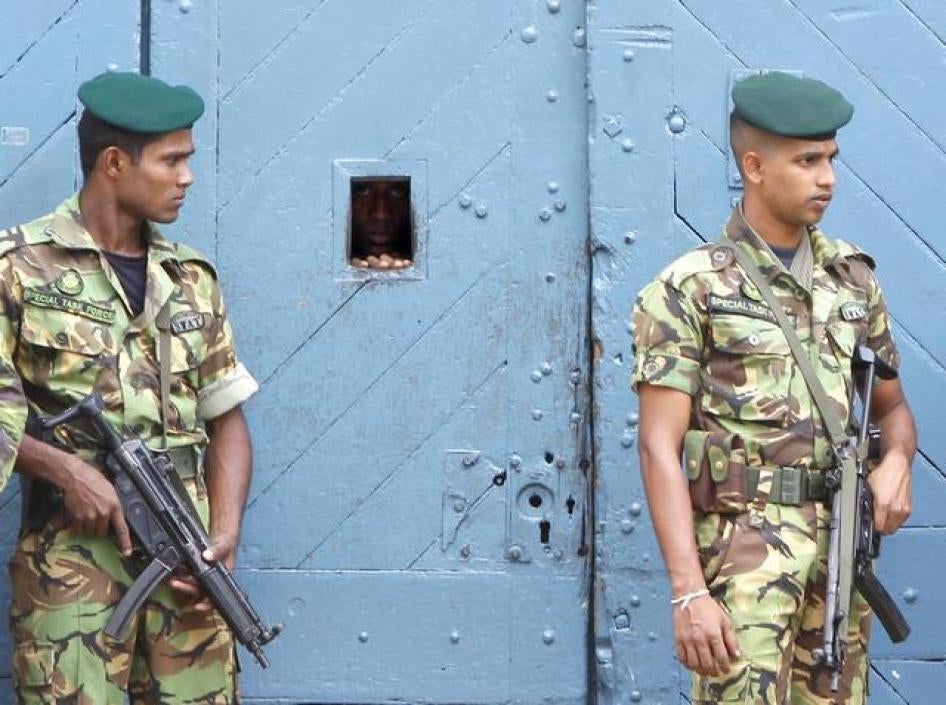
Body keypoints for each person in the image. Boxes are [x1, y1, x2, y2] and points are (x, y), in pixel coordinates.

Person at [631, 71, 916, 704]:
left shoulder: (854, 281)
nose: (828, 179)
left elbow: (893, 410)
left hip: (842, 553)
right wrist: (688, 592)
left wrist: (897, 462)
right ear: (755, 167)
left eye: (832, 159)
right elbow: (658, 446)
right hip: (743, 556)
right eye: (808, 161)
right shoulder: (691, 288)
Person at [0, 71, 259, 704]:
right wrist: (63, 468)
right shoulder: (19, 268)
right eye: (172, 160)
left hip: (187, 569)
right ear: (115, 162)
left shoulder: (192, 278)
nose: (187, 177)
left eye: (187, 160)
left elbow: (226, 419)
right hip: (72, 570)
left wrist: (224, 534)